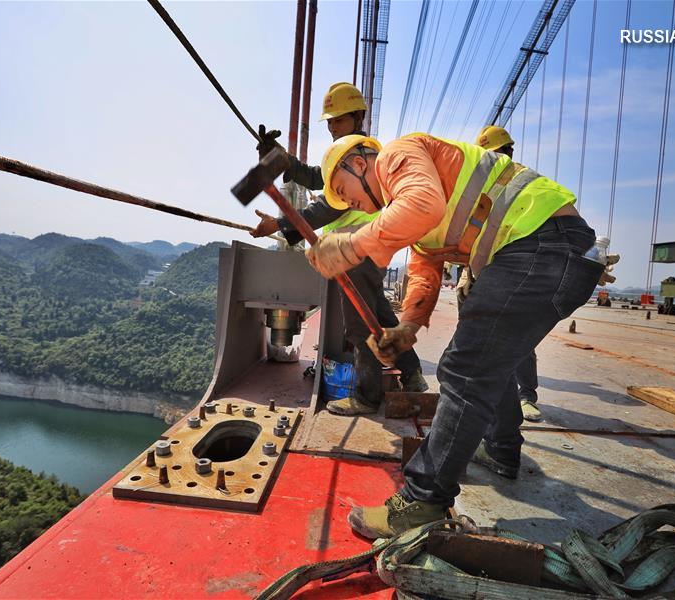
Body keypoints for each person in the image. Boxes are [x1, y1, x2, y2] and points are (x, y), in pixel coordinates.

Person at [305, 132, 604, 538]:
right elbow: (424, 272)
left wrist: (353, 244)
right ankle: (500, 450)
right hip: (555, 252)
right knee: (487, 361)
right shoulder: (413, 214)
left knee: (464, 370)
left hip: (541, 244)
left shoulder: (397, 155)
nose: (351, 204)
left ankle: (422, 501)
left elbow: (422, 205)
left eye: (345, 192)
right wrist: (406, 328)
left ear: (359, 163)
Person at [250, 83, 428, 416]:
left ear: (359, 117)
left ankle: (366, 396)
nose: (332, 127)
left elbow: (328, 208)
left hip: (355, 248)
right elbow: (313, 176)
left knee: (360, 326)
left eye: (339, 120)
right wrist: (277, 158)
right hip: (365, 249)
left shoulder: (356, 158)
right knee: (382, 317)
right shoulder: (348, 154)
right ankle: (414, 373)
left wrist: (281, 224)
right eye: (330, 121)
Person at [475, 126, 542, 422]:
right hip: (491, 269)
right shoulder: (484, 189)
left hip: (521, 267)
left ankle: (526, 395)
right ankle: (492, 396)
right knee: (484, 336)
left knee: (520, 337)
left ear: (508, 153)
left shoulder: (525, 183)